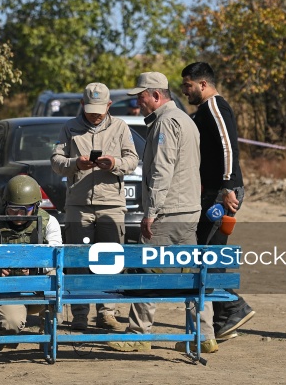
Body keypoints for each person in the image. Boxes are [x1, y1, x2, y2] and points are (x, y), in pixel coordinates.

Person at [107, 72, 217, 354]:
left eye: (141, 97)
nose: (137, 103)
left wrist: (151, 212)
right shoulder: (185, 120)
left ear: (156, 96)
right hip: (189, 210)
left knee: (146, 270)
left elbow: (161, 172)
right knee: (194, 275)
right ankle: (204, 334)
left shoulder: (166, 124)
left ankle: (138, 335)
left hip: (168, 212)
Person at [51, 82, 139, 331]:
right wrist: (75, 163)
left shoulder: (121, 127)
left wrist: (114, 163)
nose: (95, 114)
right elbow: (56, 161)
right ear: (82, 105)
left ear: (109, 105)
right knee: (78, 260)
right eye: (90, 109)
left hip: (111, 204)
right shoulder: (69, 128)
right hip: (78, 204)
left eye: (100, 109)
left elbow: (132, 160)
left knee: (110, 260)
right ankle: (79, 314)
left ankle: (107, 312)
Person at [181, 62, 255, 340]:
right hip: (214, 191)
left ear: (202, 84)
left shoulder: (215, 107)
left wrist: (226, 187)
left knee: (207, 254)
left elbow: (227, 146)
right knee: (210, 254)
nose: (186, 91)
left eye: (188, 85)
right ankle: (225, 317)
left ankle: (234, 307)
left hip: (222, 193)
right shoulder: (204, 111)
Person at [0, 175, 62, 340]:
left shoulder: (49, 222)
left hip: (38, 286)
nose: (18, 214)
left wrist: (34, 269)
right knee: (10, 324)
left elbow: (55, 259)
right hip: (6, 288)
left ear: (36, 206)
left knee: (56, 277)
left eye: (25, 210)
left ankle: (49, 331)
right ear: (5, 204)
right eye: (13, 208)